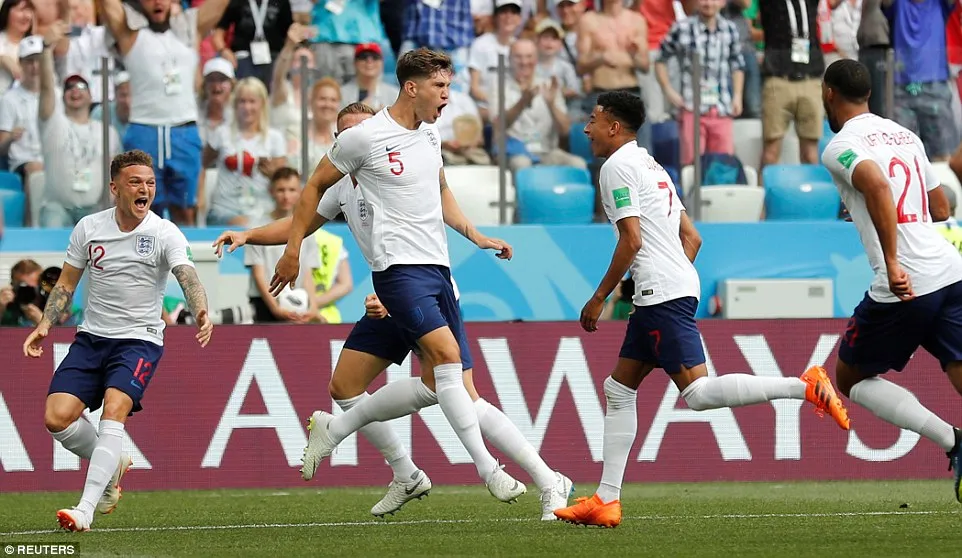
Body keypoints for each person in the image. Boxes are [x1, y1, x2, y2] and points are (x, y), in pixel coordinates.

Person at [213, 102, 572, 519]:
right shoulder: (342, 185)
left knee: (460, 393)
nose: (357, 138)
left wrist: (474, 236)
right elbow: (300, 222)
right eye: (347, 134)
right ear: (340, 142)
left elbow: (432, 209)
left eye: (363, 129)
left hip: (419, 292)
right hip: (391, 295)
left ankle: (547, 479)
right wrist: (249, 235)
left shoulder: (402, 164)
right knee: (345, 387)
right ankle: (406, 473)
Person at [553, 91, 850, 528]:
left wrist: (601, 296)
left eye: (594, 119)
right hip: (665, 290)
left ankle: (803, 385)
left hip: (661, 294)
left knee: (698, 394)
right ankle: (606, 500)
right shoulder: (652, 166)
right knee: (618, 389)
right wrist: (663, 280)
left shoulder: (616, 167)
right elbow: (692, 238)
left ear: (613, 126)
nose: (586, 128)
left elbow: (632, 240)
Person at [271, 48, 527, 504]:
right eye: (440, 86)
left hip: (437, 271)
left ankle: (355, 441)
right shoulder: (363, 139)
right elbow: (312, 188)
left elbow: (441, 188)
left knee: (431, 382)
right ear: (412, 87)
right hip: (397, 273)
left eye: (449, 86)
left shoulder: (429, 134)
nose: (447, 96)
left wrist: (475, 235)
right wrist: (291, 252)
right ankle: (490, 471)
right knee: (447, 361)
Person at [22, 149, 213, 532]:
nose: (145, 189)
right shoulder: (89, 228)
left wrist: (202, 311)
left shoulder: (164, 232)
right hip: (91, 339)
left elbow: (187, 276)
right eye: (135, 182)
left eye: (150, 183)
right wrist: (45, 323)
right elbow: (66, 283)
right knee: (56, 418)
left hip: (139, 342)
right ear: (115, 188)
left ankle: (85, 510)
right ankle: (114, 462)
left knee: (114, 410)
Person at [820, 59, 962, 502]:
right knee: (959, 367)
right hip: (950, 269)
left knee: (850, 378)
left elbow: (879, 187)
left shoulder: (840, 145)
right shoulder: (905, 134)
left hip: (906, 281)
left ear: (828, 93)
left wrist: (893, 259)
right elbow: (941, 208)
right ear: (869, 94)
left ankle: (953, 441)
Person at [98, 0, 231, 225]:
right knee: (141, 208)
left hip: (184, 129)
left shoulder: (191, 28)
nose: (157, 2)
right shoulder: (130, 33)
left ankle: (184, 249)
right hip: (144, 129)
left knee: (186, 209)